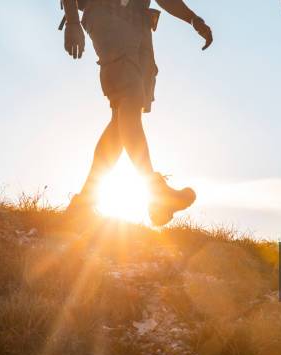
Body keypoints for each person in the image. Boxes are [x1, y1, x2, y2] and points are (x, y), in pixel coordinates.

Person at [61, 0, 213, 226]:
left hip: (138, 22)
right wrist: (72, 19)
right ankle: (156, 192)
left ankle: (83, 205)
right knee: (130, 97)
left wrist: (193, 19)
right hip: (105, 13)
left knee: (121, 120)